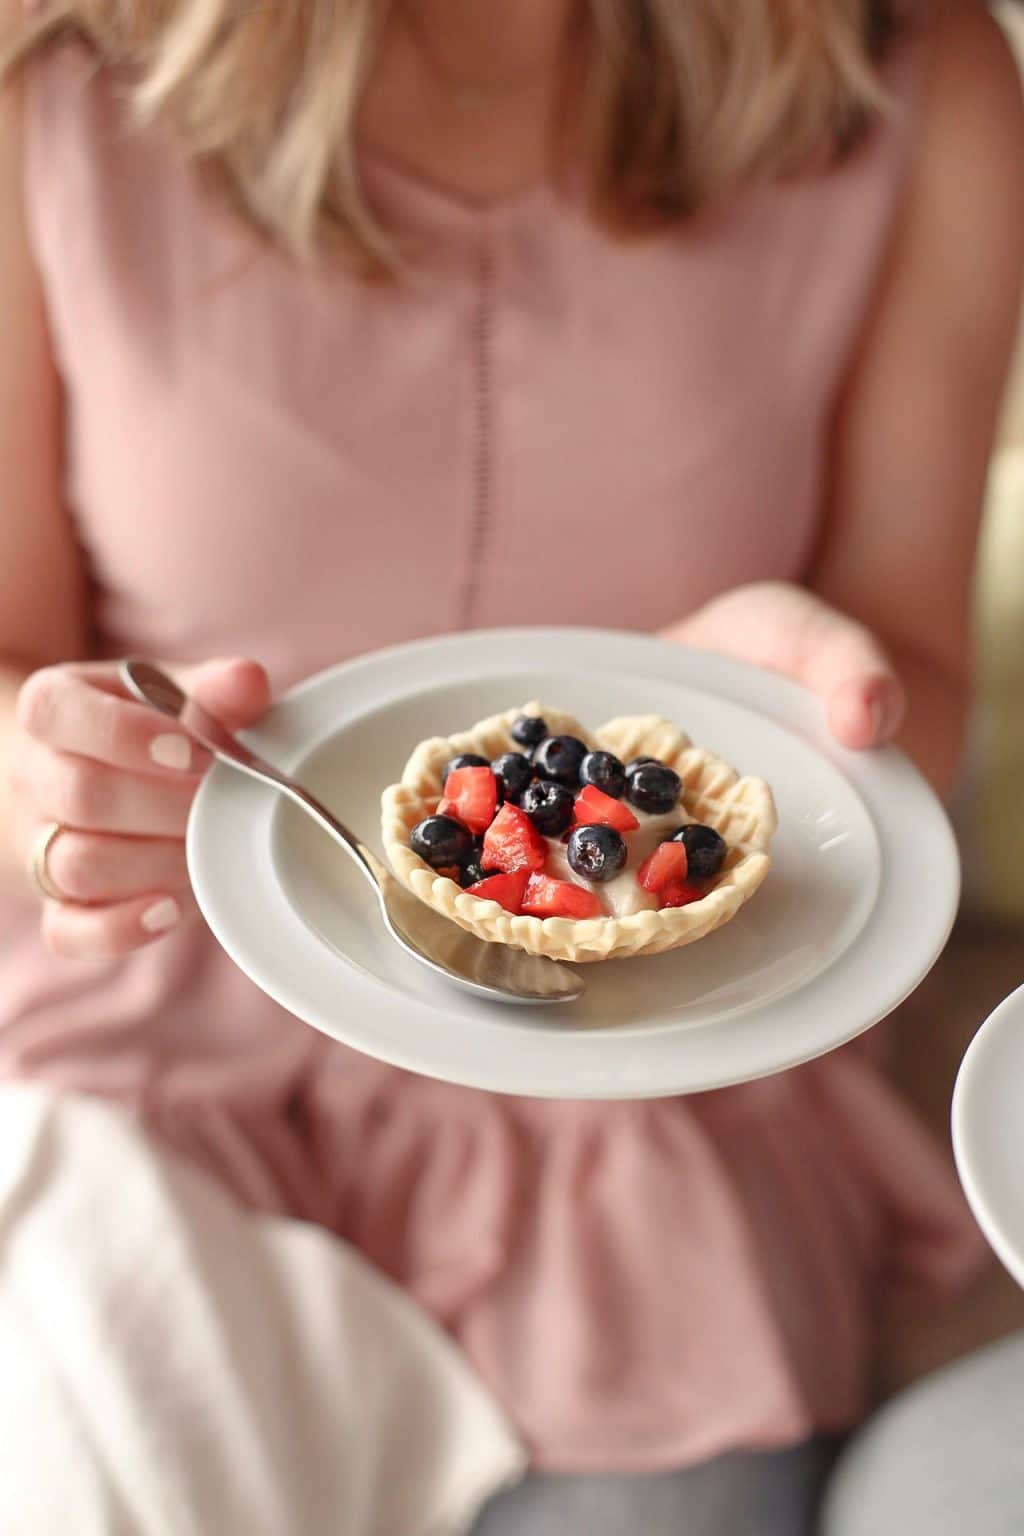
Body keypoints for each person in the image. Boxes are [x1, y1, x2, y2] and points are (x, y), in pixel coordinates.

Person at [0, 0, 1021, 1531]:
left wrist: (813, 719)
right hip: (153, 1057)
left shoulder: (914, 71)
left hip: (654, 1084)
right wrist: (57, 780)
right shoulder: (54, 78)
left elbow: (911, 680)